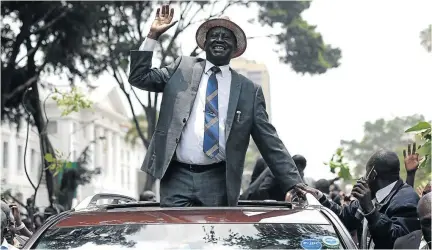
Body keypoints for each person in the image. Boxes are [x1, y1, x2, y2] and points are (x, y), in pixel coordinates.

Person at [128, 4, 302, 207]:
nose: (219, 39)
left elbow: (269, 141)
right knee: (176, 236)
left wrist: (294, 182)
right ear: (205, 43)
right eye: (214, 35)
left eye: (226, 36)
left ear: (235, 47)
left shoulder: (248, 91)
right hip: (176, 176)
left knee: (214, 238)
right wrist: (152, 35)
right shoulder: (181, 68)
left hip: (219, 179)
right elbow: (139, 77)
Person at [297, 149, 420, 249]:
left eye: (367, 172)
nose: (364, 177)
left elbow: (394, 241)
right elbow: (343, 217)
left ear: (373, 174)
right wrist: (320, 197)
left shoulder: (407, 199)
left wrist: (371, 212)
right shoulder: (371, 196)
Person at [240, 154, 307, 201]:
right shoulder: (279, 169)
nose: (300, 173)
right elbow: (263, 189)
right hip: (251, 201)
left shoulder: (298, 172)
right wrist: (272, 205)